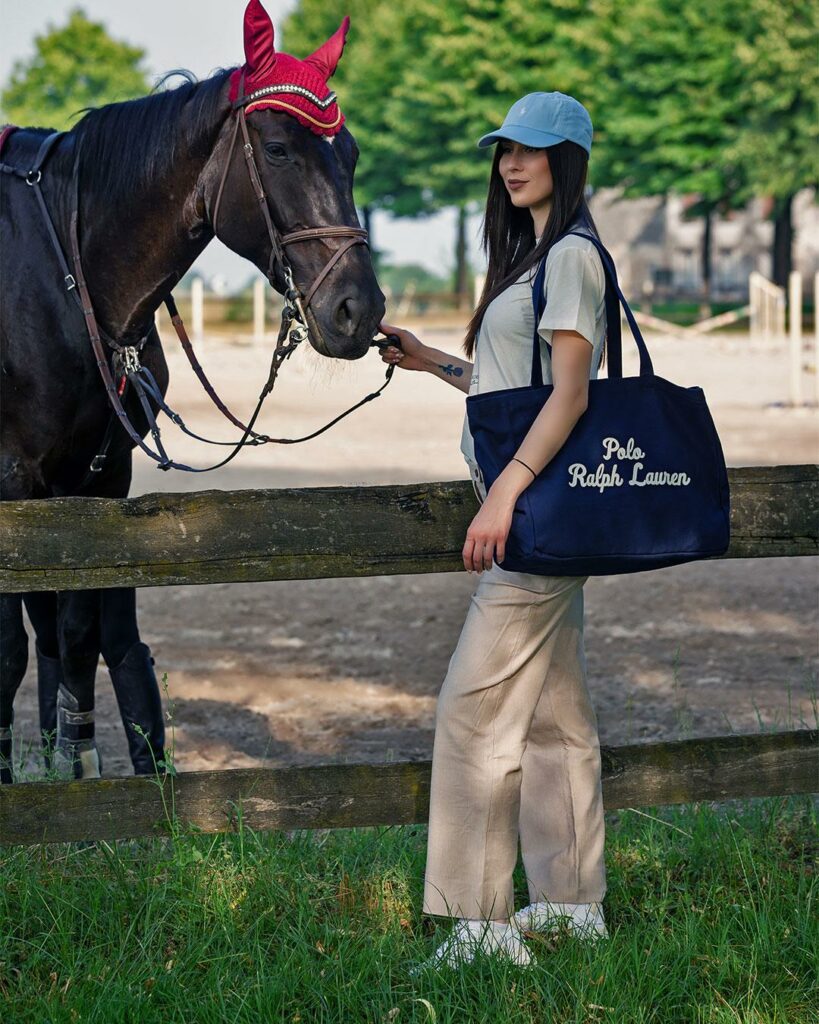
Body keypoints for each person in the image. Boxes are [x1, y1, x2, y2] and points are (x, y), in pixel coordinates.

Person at [379, 92, 610, 970]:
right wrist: (430, 360)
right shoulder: (535, 259)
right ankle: (571, 905)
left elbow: (570, 396)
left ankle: (479, 927)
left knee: (473, 715)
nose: (511, 163)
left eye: (531, 150)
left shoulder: (573, 256)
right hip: (543, 516)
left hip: (535, 518)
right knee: (554, 716)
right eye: (504, 150)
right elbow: (512, 386)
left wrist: (504, 493)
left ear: (567, 160)